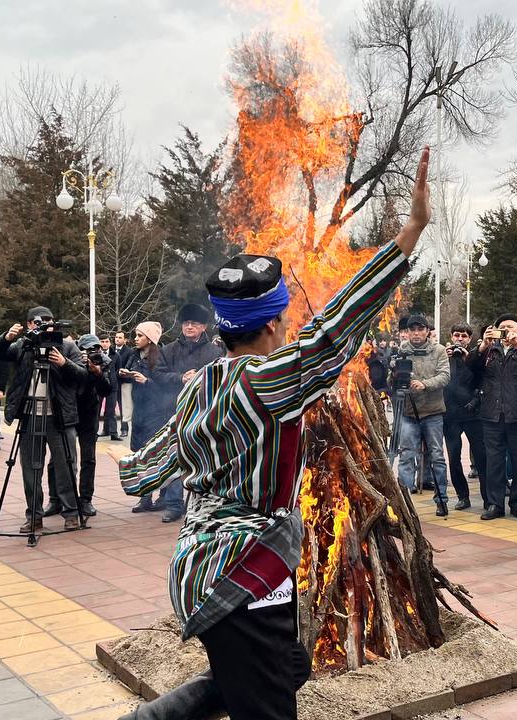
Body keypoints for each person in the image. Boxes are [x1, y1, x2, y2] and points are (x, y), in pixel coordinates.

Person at [118, 148, 429, 720]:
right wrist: (408, 234)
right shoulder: (266, 381)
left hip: (196, 569)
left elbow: (148, 468)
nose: (290, 329)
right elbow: (336, 332)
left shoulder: (202, 384)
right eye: (284, 321)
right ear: (272, 324)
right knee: (268, 705)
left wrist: (134, 470)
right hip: (245, 572)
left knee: (281, 668)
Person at [0, 307, 89, 533]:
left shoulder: (67, 345)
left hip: (60, 416)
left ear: (54, 322)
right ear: (29, 324)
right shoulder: (24, 345)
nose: (43, 324)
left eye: (48, 320)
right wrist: (6, 338)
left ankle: (71, 513)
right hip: (30, 414)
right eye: (37, 321)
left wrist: (64, 363)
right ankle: (34, 515)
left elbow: (84, 376)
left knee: (66, 465)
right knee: (30, 468)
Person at [147, 303, 225, 523]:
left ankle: (201, 503)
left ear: (203, 327)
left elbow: (221, 380)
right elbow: (158, 375)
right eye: (186, 323)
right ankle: (174, 504)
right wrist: (180, 378)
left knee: (204, 459)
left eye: (195, 323)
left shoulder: (214, 352)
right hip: (174, 410)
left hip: (205, 413)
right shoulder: (168, 350)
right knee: (176, 457)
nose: (189, 327)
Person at [471, 314, 517, 520]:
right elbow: (470, 366)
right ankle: (494, 504)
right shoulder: (489, 350)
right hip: (492, 414)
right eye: (502, 328)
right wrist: (482, 346)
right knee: (493, 462)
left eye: (510, 327)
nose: (506, 331)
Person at [393, 314, 451, 516]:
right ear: (407, 332)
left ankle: (441, 500)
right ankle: (404, 503)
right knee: (406, 455)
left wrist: (424, 384)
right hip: (408, 412)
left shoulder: (439, 350)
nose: (416, 333)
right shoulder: (401, 351)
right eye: (412, 330)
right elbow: (394, 380)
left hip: (433, 412)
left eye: (420, 329)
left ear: (427, 331)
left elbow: (445, 376)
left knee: (436, 456)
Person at [51, 334, 114, 518]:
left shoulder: (104, 362)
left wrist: (98, 373)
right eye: (88, 350)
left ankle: (85, 499)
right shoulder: (71, 358)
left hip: (89, 413)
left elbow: (107, 389)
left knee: (88, 457)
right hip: (68, 410)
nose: (93, 352)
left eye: (96, 348)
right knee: (58, 457)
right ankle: (55, 500)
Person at [125, 321, 181, 516]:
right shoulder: (134, 355)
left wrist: (146, 381)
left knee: (157, 454)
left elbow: (166, 386)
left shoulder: (161, 357)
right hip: (140, 410)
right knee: (140, 454)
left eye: (140, 335)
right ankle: (146, 496)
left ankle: (164, 497)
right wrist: (126, 374)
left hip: (157, 413)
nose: (136, 339)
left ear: (150, 338)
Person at [441, 323, 482, 512]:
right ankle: (462, 496)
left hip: (473, 414)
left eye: (464, 336)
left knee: (482, 457)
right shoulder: (443, 356)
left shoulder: (475, 356)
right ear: (451, 336)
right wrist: (445, 358)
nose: (460, 339)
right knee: (454, 458)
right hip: (450, 415)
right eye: (456, 335)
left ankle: (489, 497)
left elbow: (481, 380)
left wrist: (468, 360)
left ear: (470, 339)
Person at [99, 334, 122, 440]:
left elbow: (118, 369)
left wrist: (113, 378)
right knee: (96, 409)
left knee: (111, 410)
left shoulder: (116, 355)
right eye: (102, 341)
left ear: (110, 342)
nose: (104, 344)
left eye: (106, 341)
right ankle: (95, 432)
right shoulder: (96, 354)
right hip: (99, 385)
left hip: (112, 386)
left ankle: (113, 432)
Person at [114, 329, 134, 438]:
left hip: (124, 383)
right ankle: (108, 429)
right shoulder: (112, 350)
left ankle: (124, 429)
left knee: (123, 407)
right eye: (116, 337)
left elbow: (128, 367)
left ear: (125, 340)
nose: (117, 339)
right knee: (110, 407)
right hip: (113, 383)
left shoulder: (129, 352)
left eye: (120, 337)